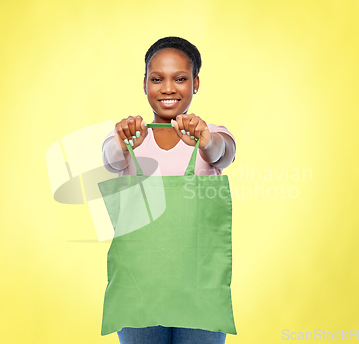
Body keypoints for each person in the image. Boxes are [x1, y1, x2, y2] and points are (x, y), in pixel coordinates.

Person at [101, 36, 236, 344]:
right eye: (157, 79)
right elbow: (110, 160)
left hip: (201, 289)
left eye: (180, 79)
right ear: (145, 82)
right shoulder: (130, 138)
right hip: (138, 289)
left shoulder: (211, 135)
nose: (168, 88)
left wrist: (204, 140)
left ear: (196, 83)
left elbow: (223, 153)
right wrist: (122, 142)